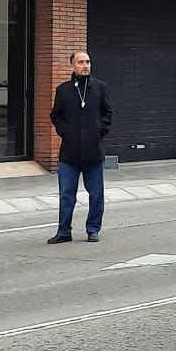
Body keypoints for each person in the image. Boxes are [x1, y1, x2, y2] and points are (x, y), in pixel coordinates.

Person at [47, 50, 113, 245]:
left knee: (96, 193)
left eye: (88, 62)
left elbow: (107, 113)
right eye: (81, 62)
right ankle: (64, 231)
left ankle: (93, 229)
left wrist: (99, 131)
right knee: (67, 194)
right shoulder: (63, 90)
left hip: (94, 151)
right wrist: (66, 132)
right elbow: (56, 115)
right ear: (72, 65)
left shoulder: (100, 88)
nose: (85, 66)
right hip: (70, 152)